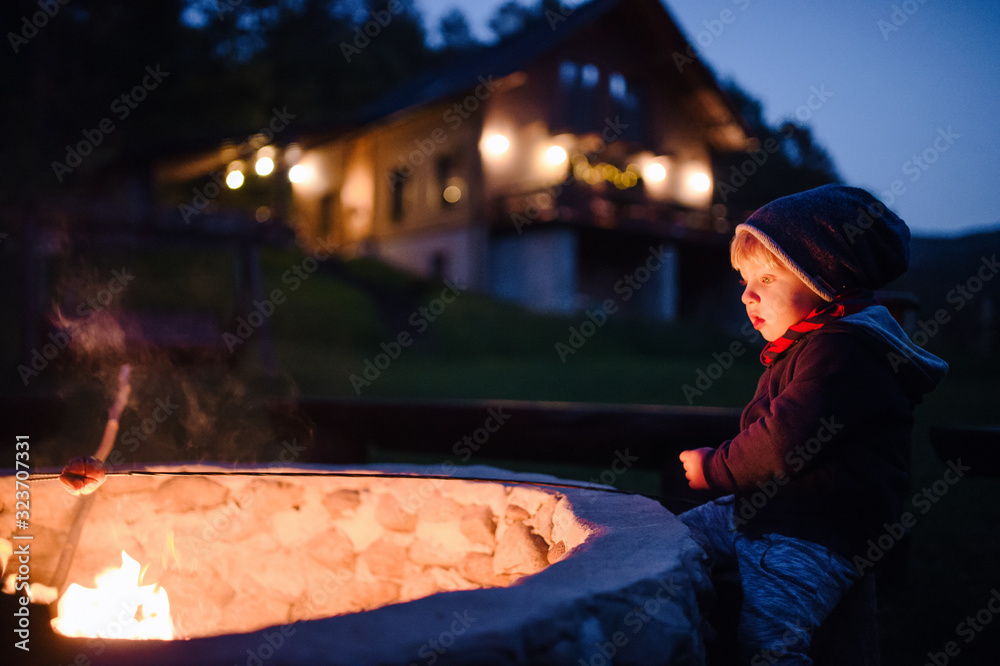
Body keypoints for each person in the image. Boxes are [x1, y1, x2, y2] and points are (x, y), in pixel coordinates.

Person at [678, 183, 948, 664]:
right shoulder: (818, 342)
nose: (747, 296)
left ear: (824, 279)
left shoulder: (842, 351)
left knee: (769, 643)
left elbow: (783, 440)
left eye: (765, 279)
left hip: (815, 533)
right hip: (771, 512)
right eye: (744, 281)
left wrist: (714, 469)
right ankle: (675, 615)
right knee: (670, 539)